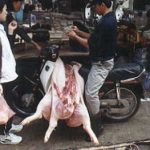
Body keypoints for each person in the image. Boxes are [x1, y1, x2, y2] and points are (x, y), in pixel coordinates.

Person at [68, 0, 117, 137]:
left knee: (90, 94)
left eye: (95, 5)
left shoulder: (107, 22)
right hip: (99, 60)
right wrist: (79, 31)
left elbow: (90, 45)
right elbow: (93, 39)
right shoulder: (107, 18)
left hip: (102, 64)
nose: (94, 8)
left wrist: (75, 36)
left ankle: (97, 126)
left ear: (102, 4)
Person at [0, 0, 23, 144]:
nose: (6, 12)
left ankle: (8, 126)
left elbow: (6, 49)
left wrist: (10, 31)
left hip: (7, 72)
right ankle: (4, 135)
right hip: (2, 75)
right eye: (4, 10)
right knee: (4, 105)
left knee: (8, 102)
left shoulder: (1, 27)